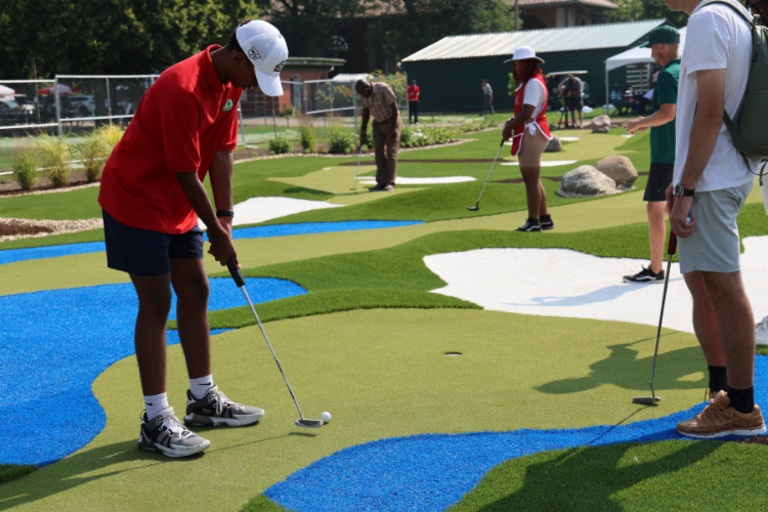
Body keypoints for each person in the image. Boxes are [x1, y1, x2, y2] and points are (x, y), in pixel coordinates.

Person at [97, 19, 289, 457]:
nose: (254, 87)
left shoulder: (231, 84)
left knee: (197, 289)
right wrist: (217, 235)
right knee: (157, 302)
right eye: (254, 76)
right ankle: (155, 420)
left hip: (178, 206)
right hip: (136, 199)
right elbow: (186, 171)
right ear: (239, 58)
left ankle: (203, 400)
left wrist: (225, 221)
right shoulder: (182, 89)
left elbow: (221, 154)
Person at [664, 0, 765, 438]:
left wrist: (686, 186)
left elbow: (709, 111)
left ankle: (740, 408)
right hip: (726, 169)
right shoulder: (736, 14)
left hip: (712, 175)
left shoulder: (707, 19)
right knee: (709, 284)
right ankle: (726, 395)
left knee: (723, 287)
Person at [622, 26, 681, 284]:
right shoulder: (686, 70)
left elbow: (668, 113)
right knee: (688, 207)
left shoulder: (667, 75)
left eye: (652, 49)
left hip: (666, 152)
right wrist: (648, 120)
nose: (651, 55)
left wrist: (638, 123)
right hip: (684, 150)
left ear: (661, 46)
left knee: (656, 209)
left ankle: (656, 269)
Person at [502, 46, 554, 232]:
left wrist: (508, 127)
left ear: (529, 64)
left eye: (519, 64)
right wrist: (512, 122)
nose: (516, 68)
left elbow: (526, 114)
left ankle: (533, 222)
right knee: (535, 179)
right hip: (532, 131)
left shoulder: (532, 82)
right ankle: (545, 218)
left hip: (532, 133)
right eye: (514, 64)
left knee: (530, 180)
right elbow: (524, 113)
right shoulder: (531, 81)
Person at [356, 79, 401, 191]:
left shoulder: (383, 88)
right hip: (377, 124)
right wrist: (363, 129)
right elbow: (366, 112)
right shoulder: (363, 95)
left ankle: (390, 182)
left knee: (391, 153)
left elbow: (394, 108)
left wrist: (393, 127)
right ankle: (381, 182)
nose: (362, 96)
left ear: (367, 88)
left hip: (391, 121)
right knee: (379, 154)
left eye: (363, 93)